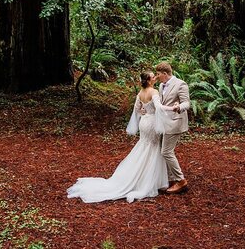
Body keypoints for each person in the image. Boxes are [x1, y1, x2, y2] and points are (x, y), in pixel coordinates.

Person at [66, 71, 169, 203]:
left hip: (144, 122)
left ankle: (142, 176)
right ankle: (148, 180)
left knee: (144, 146)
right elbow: (159, 107)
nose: (155, 77)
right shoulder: (153, 92)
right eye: (153, 76)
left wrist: (144, 111)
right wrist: (171, 109)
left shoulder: (141, 93)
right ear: (149, 80)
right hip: (152, 123)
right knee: (152, 148)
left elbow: (137, 109)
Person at [154, 61, 190, 194]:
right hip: (163, 123)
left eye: (158, 74)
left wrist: (179, 107)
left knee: (166, 152)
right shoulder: (160, 86)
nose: (157, 77)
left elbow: (187, 103)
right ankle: (170, 179)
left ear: (165, 73)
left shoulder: (180, 84)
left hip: (175, 122)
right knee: (163, 151)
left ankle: (181, 181)